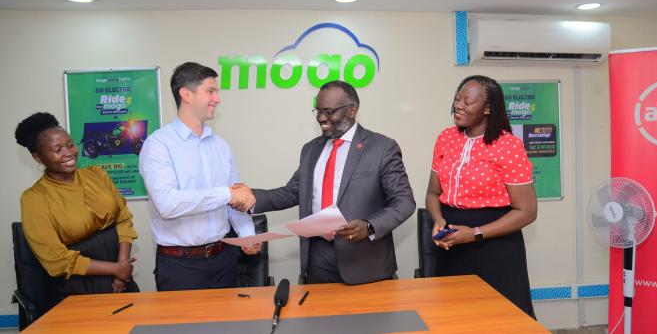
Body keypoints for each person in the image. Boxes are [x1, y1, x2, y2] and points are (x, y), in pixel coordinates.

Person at [233, 80, 415, 285]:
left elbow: (404, 201)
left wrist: (369, 227)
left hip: (365, 260)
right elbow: (294, 191)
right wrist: (253, 197)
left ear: (352, 110)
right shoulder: (311, 149)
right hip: (317, 258)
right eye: (318, 111)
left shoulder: (382, 148)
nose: (321, 118)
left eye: (329, 112)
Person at [139, 62, 259, 291]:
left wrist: (247, 234)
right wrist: (227, 194)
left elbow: (234, 201)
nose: (217, 98)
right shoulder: (158, 145)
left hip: (224, 259)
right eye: (210, 91)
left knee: (228, 327)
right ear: (186, 94)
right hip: (180, 266)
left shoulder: (221, 146)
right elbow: (167, 204)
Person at [425, 75, 538, 317]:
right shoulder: (446, 138)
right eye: (457, 99)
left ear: (487, 108)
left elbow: (527, 211)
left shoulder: (509, 145)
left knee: (499, 320)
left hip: (495, 245)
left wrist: (475, 233)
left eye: (468, 101)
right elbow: (433, 193)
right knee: (454, 318)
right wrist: (438, 220)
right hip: (452, 244)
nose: (459, 105)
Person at [15, 112, 139, 311]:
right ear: (37, 157)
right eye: (57, 149)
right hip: (76, 289)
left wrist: (121, 267)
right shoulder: (34, 198)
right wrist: (116, 269)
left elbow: (123, 218)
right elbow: (56, 260)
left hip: (121, 280)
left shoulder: (97, 174)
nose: (69, 153)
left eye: (70, 144)